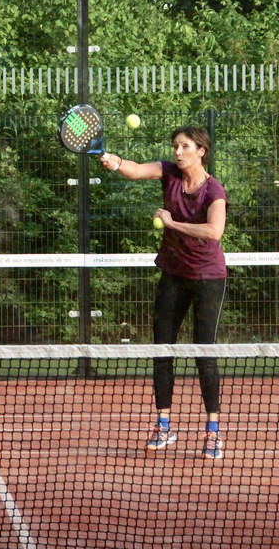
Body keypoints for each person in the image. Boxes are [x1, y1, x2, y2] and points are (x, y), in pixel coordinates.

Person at [98, 125, 227, 461]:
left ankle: (213, 431)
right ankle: (163, 424)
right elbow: (136, 170)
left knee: (204, 353)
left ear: (201, 151)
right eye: (175, 146)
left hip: (208, 278)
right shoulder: (169, 173)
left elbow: (214, 231)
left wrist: (171, 224)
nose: (177, 152)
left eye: (185, 146)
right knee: (162, 349)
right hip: (173, 274)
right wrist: (114, 160)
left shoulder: (214, 190)